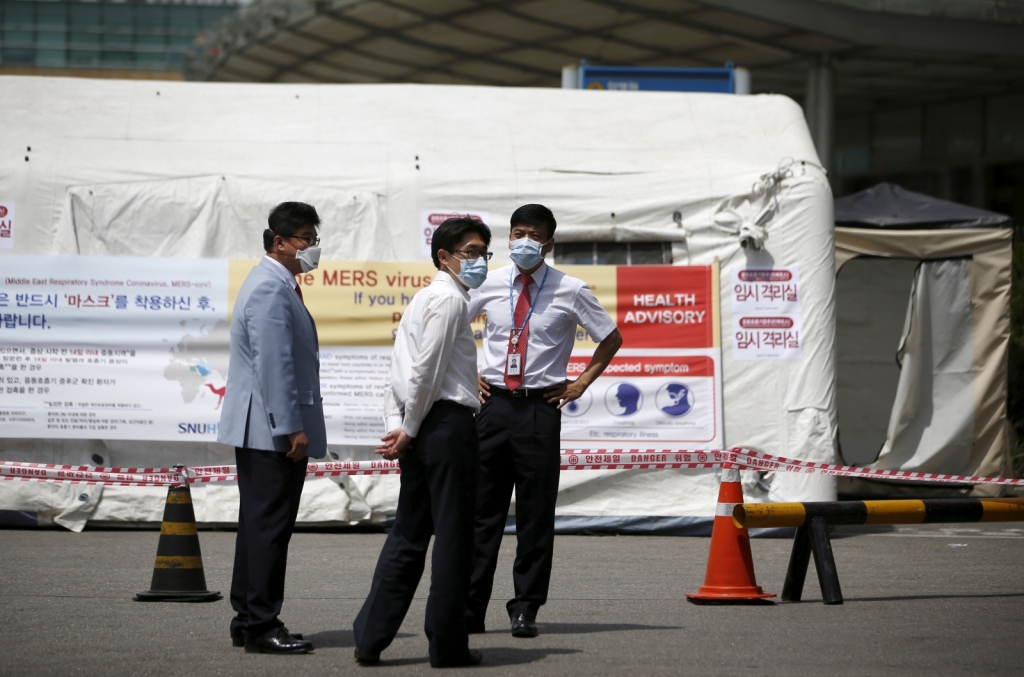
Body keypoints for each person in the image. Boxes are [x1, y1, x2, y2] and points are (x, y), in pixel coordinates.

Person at [466, 204, 623, 638]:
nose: (524, 242)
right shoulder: (489, 281)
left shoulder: (571, 290)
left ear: (549, 243)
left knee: (535, 515)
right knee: (482, 514)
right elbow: (451, 326)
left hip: (539, 409)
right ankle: (470, 607)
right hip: (492, 407)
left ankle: (525, 607)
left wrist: (581, 384)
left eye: (534, 235)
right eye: (518, 233)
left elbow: (611, 338)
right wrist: (468, 374)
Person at [352, 217, 491, 668]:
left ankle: (370, 637)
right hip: (445, 427)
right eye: (469, 252)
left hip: (422, 428)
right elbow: (424, 373)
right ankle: (447, 646)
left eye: (483, 253)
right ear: (444, 257)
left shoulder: (423, 299)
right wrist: (408, 429)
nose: (478, 261)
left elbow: (400, 370)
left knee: (409, 534)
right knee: (453, 539)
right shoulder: (449, 301)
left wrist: (400, 426)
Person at [217, 201, 326, 655]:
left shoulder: (278, 283)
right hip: (270, 430)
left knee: (259, 525)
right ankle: (262, 623)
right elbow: (273, 363)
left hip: (262, 428)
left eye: (316, 240)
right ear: (278, 241)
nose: (313, 249)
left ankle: (247, 618)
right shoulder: (269, 287)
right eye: (305, 239)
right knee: (270, 527)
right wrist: (290, 427)